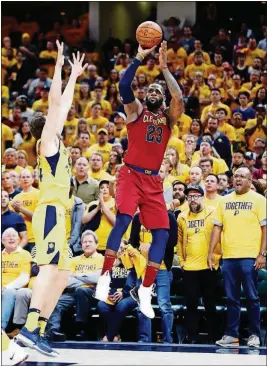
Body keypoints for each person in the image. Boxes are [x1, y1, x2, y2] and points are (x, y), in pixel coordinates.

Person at [94, 40, 183, 319]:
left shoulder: (169, 119)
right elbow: (123, 87)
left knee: (162, 233)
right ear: (146, 97)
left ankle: (145, 289)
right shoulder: (136, 112)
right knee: (123, 219)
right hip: (130, 173)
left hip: (153, 181)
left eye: (159, 90)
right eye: (151, 89)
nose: (154, 91)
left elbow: (179, 99)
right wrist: (138, 58)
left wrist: (165, 69)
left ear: (163, 98)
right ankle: (105, 276)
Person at [16, 42, 88, 356]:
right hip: (49, 213)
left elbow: (65, 103)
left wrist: (75, 75)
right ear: (46, 128)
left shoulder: (55, 143)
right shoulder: (47, 142)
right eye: (54, 121)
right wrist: (59, 65)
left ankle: (40, 329)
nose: (60, 120)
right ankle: (29, 328)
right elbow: (57, 103)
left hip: (60, 214)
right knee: (48, 269)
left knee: (63, 272)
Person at [208, 167, 266, 348]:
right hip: (229, 257)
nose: (238, 179)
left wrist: (262, 254)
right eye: (236, 176)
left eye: (243, 177)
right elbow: (217, 228)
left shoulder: (259, 200)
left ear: (250, 181)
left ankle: (254, 335)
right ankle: (231, 335)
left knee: (252, 297)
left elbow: (265, 229)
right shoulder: (224, 201)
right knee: (231, 298)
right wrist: (211, 252)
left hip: (250, 256)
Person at [178, 184, 221, 344]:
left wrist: (216, 258)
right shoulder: (182, 217)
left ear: (202, 197)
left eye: (196, 196)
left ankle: (213, 337)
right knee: (191, 305)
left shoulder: (212, 212)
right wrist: (182, 262)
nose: (193, 199)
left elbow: (219, 235)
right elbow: (180, 240)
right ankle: (192, 337)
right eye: (190, 197)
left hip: (209, 266)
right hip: (190, 268)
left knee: (210, 304)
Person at [46, 230, 103, 341]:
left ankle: (80, 327)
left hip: (93, 293)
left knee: (81, 291)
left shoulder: (102, 259)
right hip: (73, 292)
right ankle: (53, 331)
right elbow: (66, 280)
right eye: (84, 242)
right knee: (55, 301)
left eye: (90, 241)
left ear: (96, 244)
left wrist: (76, 275)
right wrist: (86, 279)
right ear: (81, 245)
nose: (87, 244)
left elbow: (97, 278)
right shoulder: (74, 260)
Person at [2, 228, 32, 330]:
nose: (11, 238)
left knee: (8, 292)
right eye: (8, 236)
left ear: (19, 240)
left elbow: (24, 278)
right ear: (2, 241)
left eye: (14, 235)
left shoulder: (25, 254)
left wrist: (5, 287)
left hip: (15, 289)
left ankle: (1, 327)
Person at [82, 179, 116, 254]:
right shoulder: (93, 204)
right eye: (102, 187)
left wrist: (103, 207)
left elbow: (116, 223)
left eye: (107, 187)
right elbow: (84, 220)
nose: (105, 189)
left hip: (110, 244)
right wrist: (97, 208)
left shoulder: (116, 203)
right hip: (94, 244)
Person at [10, 169, 40, 253]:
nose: (25, 179)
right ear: (19, 180)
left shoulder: (39, 194)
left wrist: (21, 209)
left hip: (35, 237)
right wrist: (16, 211)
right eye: (23, 177)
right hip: (20, 238)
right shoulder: (16, 197)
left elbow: (39, 218)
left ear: (32, 179)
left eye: (28, 177)